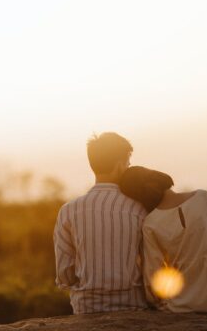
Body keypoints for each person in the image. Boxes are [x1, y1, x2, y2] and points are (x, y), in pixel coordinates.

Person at [119, 166, 207, 315]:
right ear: (157, 176)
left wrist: (159, 302)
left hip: (180, 308)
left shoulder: (150, 224)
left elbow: (154, 278)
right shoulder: (204, 198)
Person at [53, 133, 148, 314]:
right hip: (133, 307)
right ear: (120, 165)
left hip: (87, 308)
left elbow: (65, 274)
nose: (128, 167)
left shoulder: (68, 211)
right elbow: (150, 265)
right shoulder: (139, 209)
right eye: (128, 162)